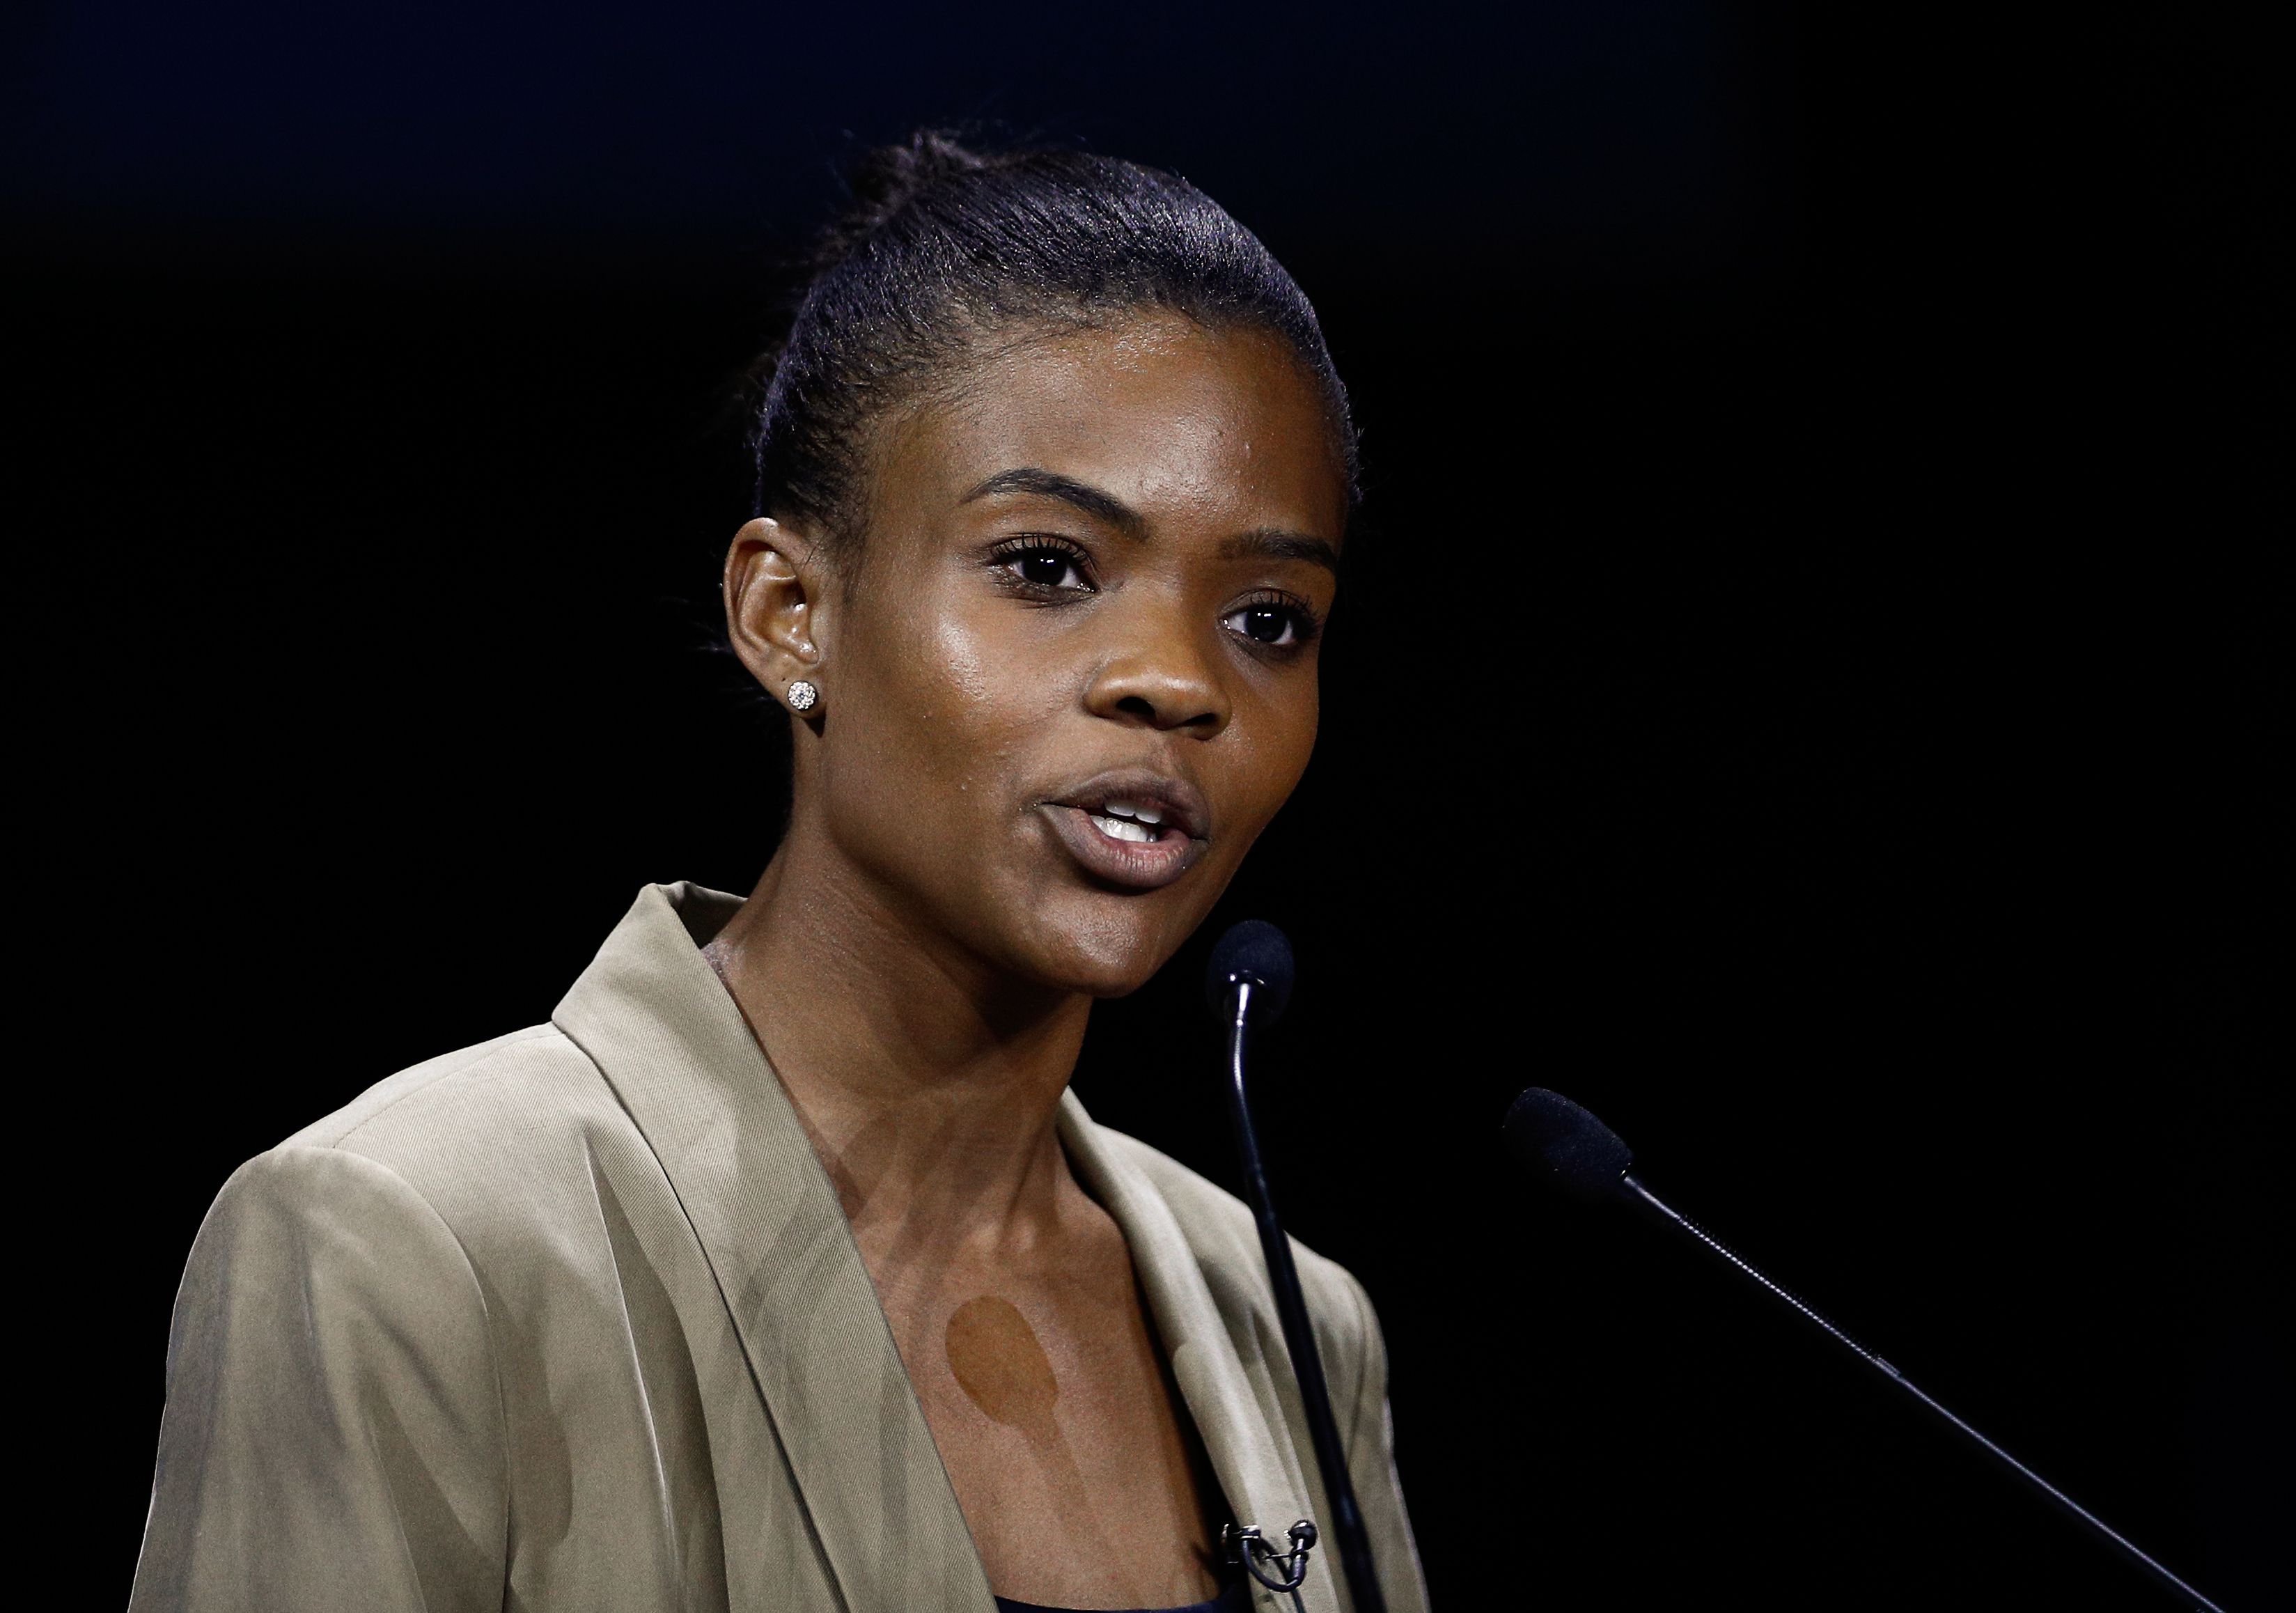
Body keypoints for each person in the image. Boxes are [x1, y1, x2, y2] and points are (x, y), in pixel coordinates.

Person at [131, 133, 1427, 1613]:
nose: (1176, 681)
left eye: (1268, 617)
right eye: (1049, 567)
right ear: (789, 612)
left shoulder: (1300, 1332)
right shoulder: (410, 1241)